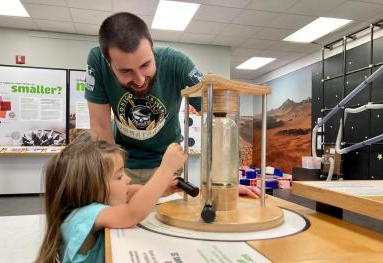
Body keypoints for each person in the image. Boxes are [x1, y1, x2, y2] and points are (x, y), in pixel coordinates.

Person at [85, 12, 262, 198]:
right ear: (108, 63)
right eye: (126, 71)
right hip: (122, 166)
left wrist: (224, 182)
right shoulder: (97, 60)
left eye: (145, 65)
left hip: (167, 165)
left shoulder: (177, 62)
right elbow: (100, 128)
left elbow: (217, 117)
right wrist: (114, 177)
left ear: (152, 49)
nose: (139, 80)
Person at [33, 131, 187, 263]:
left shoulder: (90, 206)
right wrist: (166, 169)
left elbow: (132, 192)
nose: (127, 180)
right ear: (91, 187)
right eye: (119, 176)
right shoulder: (83, 216)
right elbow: (132, 213)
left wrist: (161, 189)